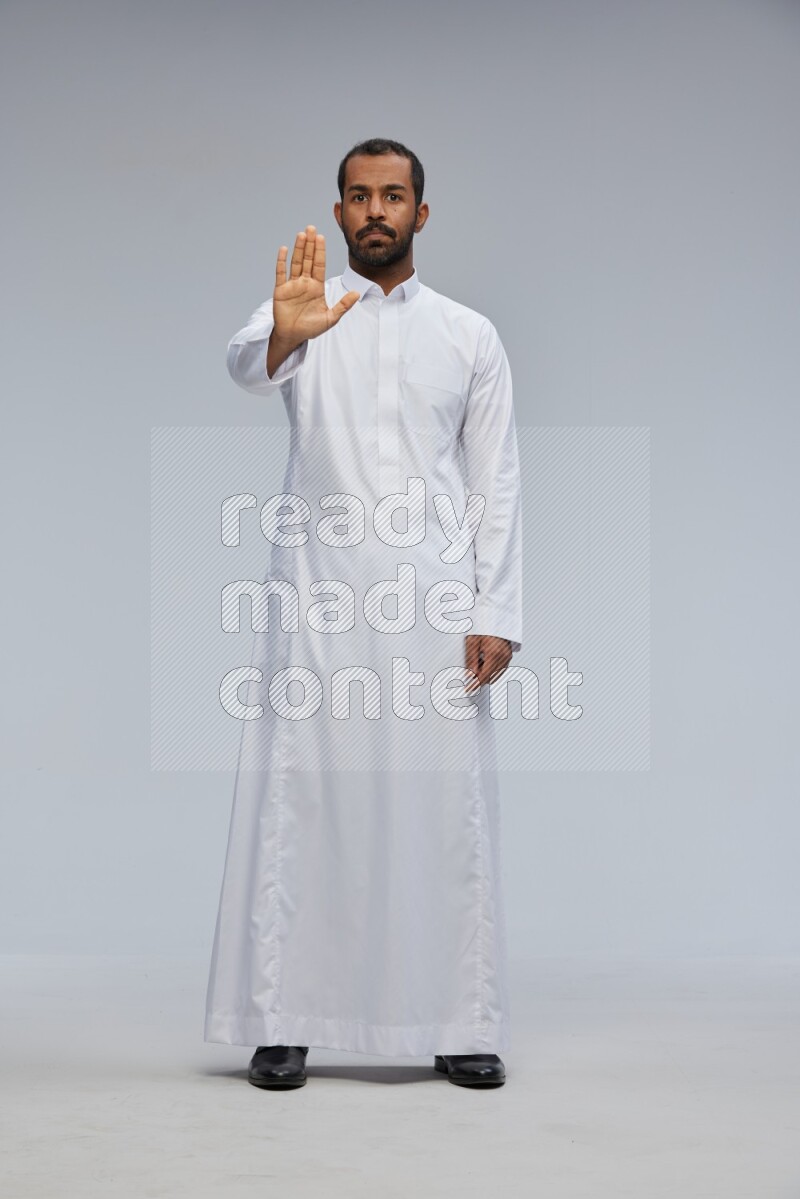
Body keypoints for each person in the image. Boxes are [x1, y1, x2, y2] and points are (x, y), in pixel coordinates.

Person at [205, 137, 523, 1089]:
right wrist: (286, 335)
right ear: (339, 211)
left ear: (421, 213)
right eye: (357, 195)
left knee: (443, 808)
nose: (374, 210)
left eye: (392, 195)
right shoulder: (303, 310)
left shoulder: (469, 335)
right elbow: (244, 366)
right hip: (320, 598)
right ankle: (284, 1018)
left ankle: (459, 1020)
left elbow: (495, 480)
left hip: (434, 604)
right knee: (304, 800)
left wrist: (496, 607)